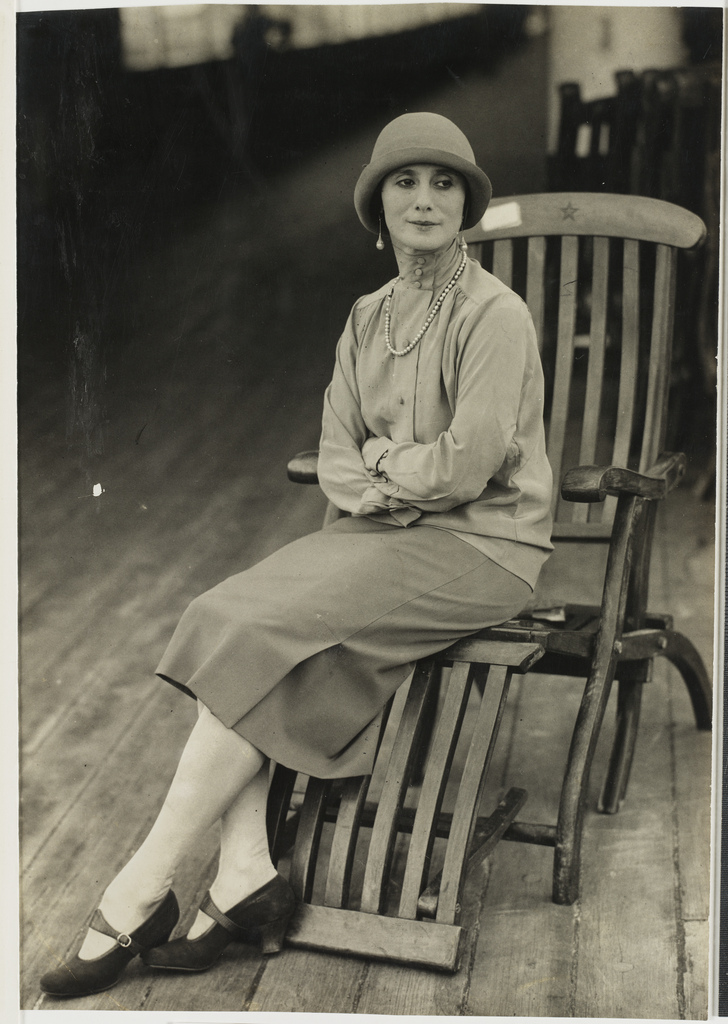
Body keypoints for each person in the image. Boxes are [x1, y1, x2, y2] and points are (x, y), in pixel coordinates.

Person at [40, 112, 553, 998]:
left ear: (467, 204)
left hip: (484, 546)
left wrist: (383, 470)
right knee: (222, 615)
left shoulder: (494, 314)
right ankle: (245, 870)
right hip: (385, 535)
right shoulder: (367, 316)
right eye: (404, 182)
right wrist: (389, 475)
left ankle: (139, 888)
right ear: (377, 205)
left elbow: (466, 470)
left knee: (264, 634)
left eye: (443, 184)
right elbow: (336, 457)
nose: (423, 200)